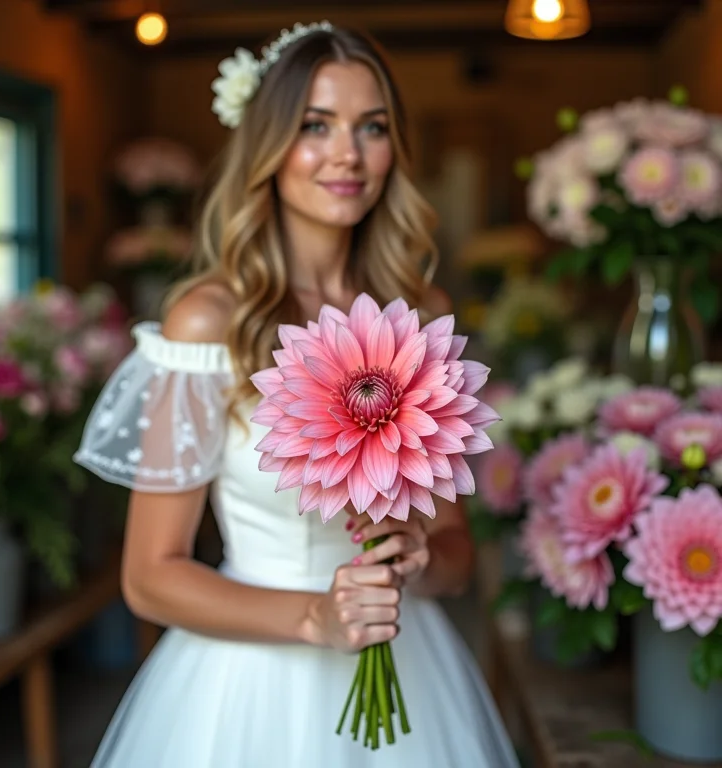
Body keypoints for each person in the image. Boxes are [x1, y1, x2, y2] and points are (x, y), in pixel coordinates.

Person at [75, 21, 519, 767]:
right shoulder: (208, 320)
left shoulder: (419, 310)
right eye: (316, 125)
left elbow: (456, 552)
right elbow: (150, 577)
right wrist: (317, 617)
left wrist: (418, 556)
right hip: (248, 685)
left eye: (371, 127)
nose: (347, 153)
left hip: (410, 669)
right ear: (270, 145)